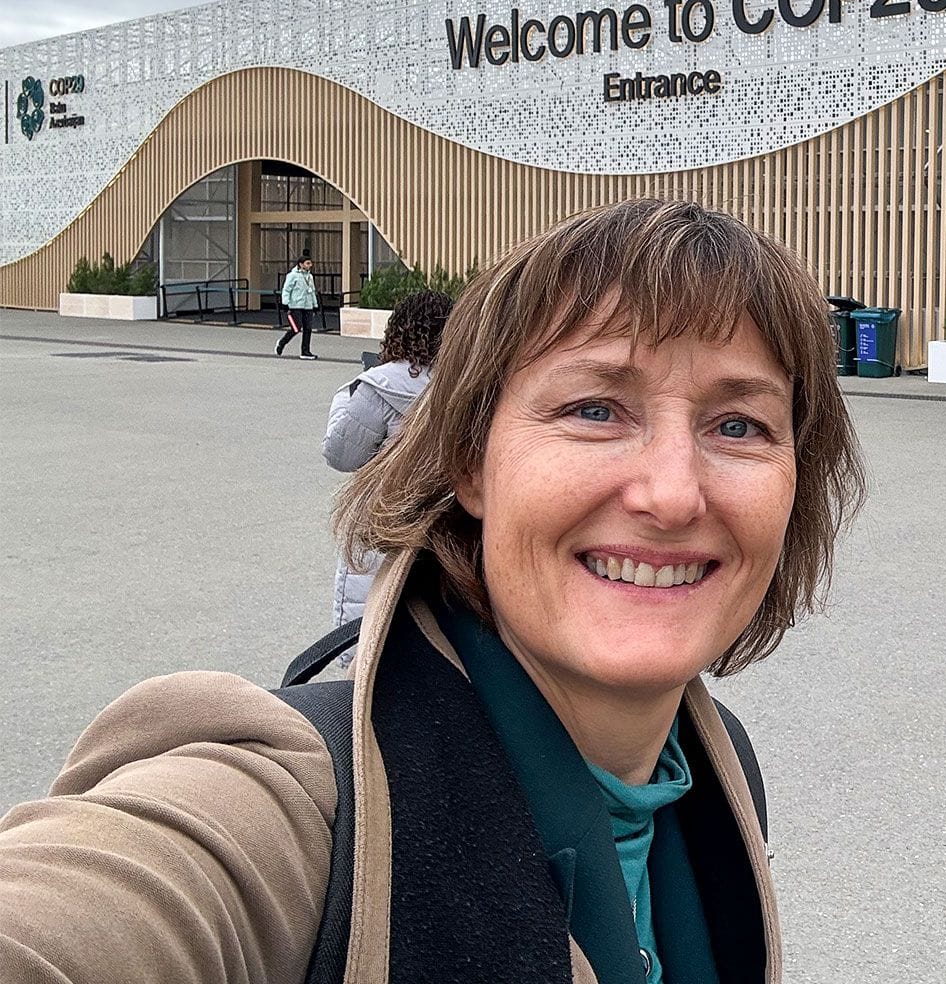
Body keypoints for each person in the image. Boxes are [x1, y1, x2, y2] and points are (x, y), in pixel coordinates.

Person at [0, 199, 866, 983]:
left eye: (739, 425)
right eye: (596, 408)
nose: (674, 494)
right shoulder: (299, 811)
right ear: (471, 462)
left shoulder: (717, 778)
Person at [323, 289, 454, 630]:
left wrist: (344, 397)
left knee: (369, 627)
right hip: (444, 523)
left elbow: (341, 454)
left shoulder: (378, 386)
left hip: (384, 519)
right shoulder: (463, 386)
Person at [277, 254, 321, 359]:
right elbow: (286, 290)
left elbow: (312, 291)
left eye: (310, 263)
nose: (310, 265)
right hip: (295, 305)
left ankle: (305, 351)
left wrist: (315, 305)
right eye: (308, 263)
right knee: (296, 327)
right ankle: (282, 342)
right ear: (301, 264)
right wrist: (285, 303)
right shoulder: (292, 275)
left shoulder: (310, 276)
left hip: (308, 305)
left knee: (308, 328)